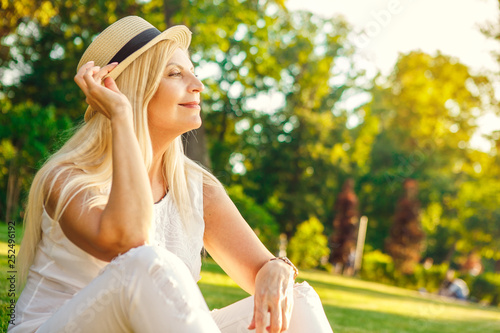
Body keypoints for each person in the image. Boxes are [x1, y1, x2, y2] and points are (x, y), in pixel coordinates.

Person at [8, 16, 333, 333]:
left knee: (298, 301)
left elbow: (261, 270)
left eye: (193, 72)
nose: (198, 85)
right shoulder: (68, 178)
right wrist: (121, 114)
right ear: (128, 88)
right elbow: (128, 241)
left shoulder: (197, 188)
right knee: (145, 262)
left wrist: (278, 269)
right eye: (175, 74)